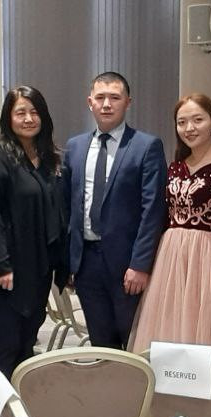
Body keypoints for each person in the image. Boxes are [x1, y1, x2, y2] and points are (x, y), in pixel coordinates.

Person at [130, 93, 211, 353]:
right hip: (171, 257)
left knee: (205, 327)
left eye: (197, 120)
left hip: (210, 257)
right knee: (168, 325)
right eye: (182, 122)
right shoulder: (175, 167)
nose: (189, 128)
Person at [63, 72, 167, 349]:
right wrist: (70, 262)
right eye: (100, 98)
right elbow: (68, 206)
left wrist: (140, 264)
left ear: (128, 102)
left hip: (128, 265)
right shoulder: (75, 147)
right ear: (90, 102)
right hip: (86, 263)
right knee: (101, 344)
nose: (107, 104)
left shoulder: (146, 146)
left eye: (115, 98)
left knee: (134, 342)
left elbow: (152, 210)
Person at [0, 86, 69, 378]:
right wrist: (0, 265)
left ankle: (20, 404)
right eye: (20, 113)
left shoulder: (48, 158)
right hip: (9, 271)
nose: (28, 119)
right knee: (7, 345)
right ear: (8, 117)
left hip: (39, 268)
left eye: (34, 112)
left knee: (28, 344)